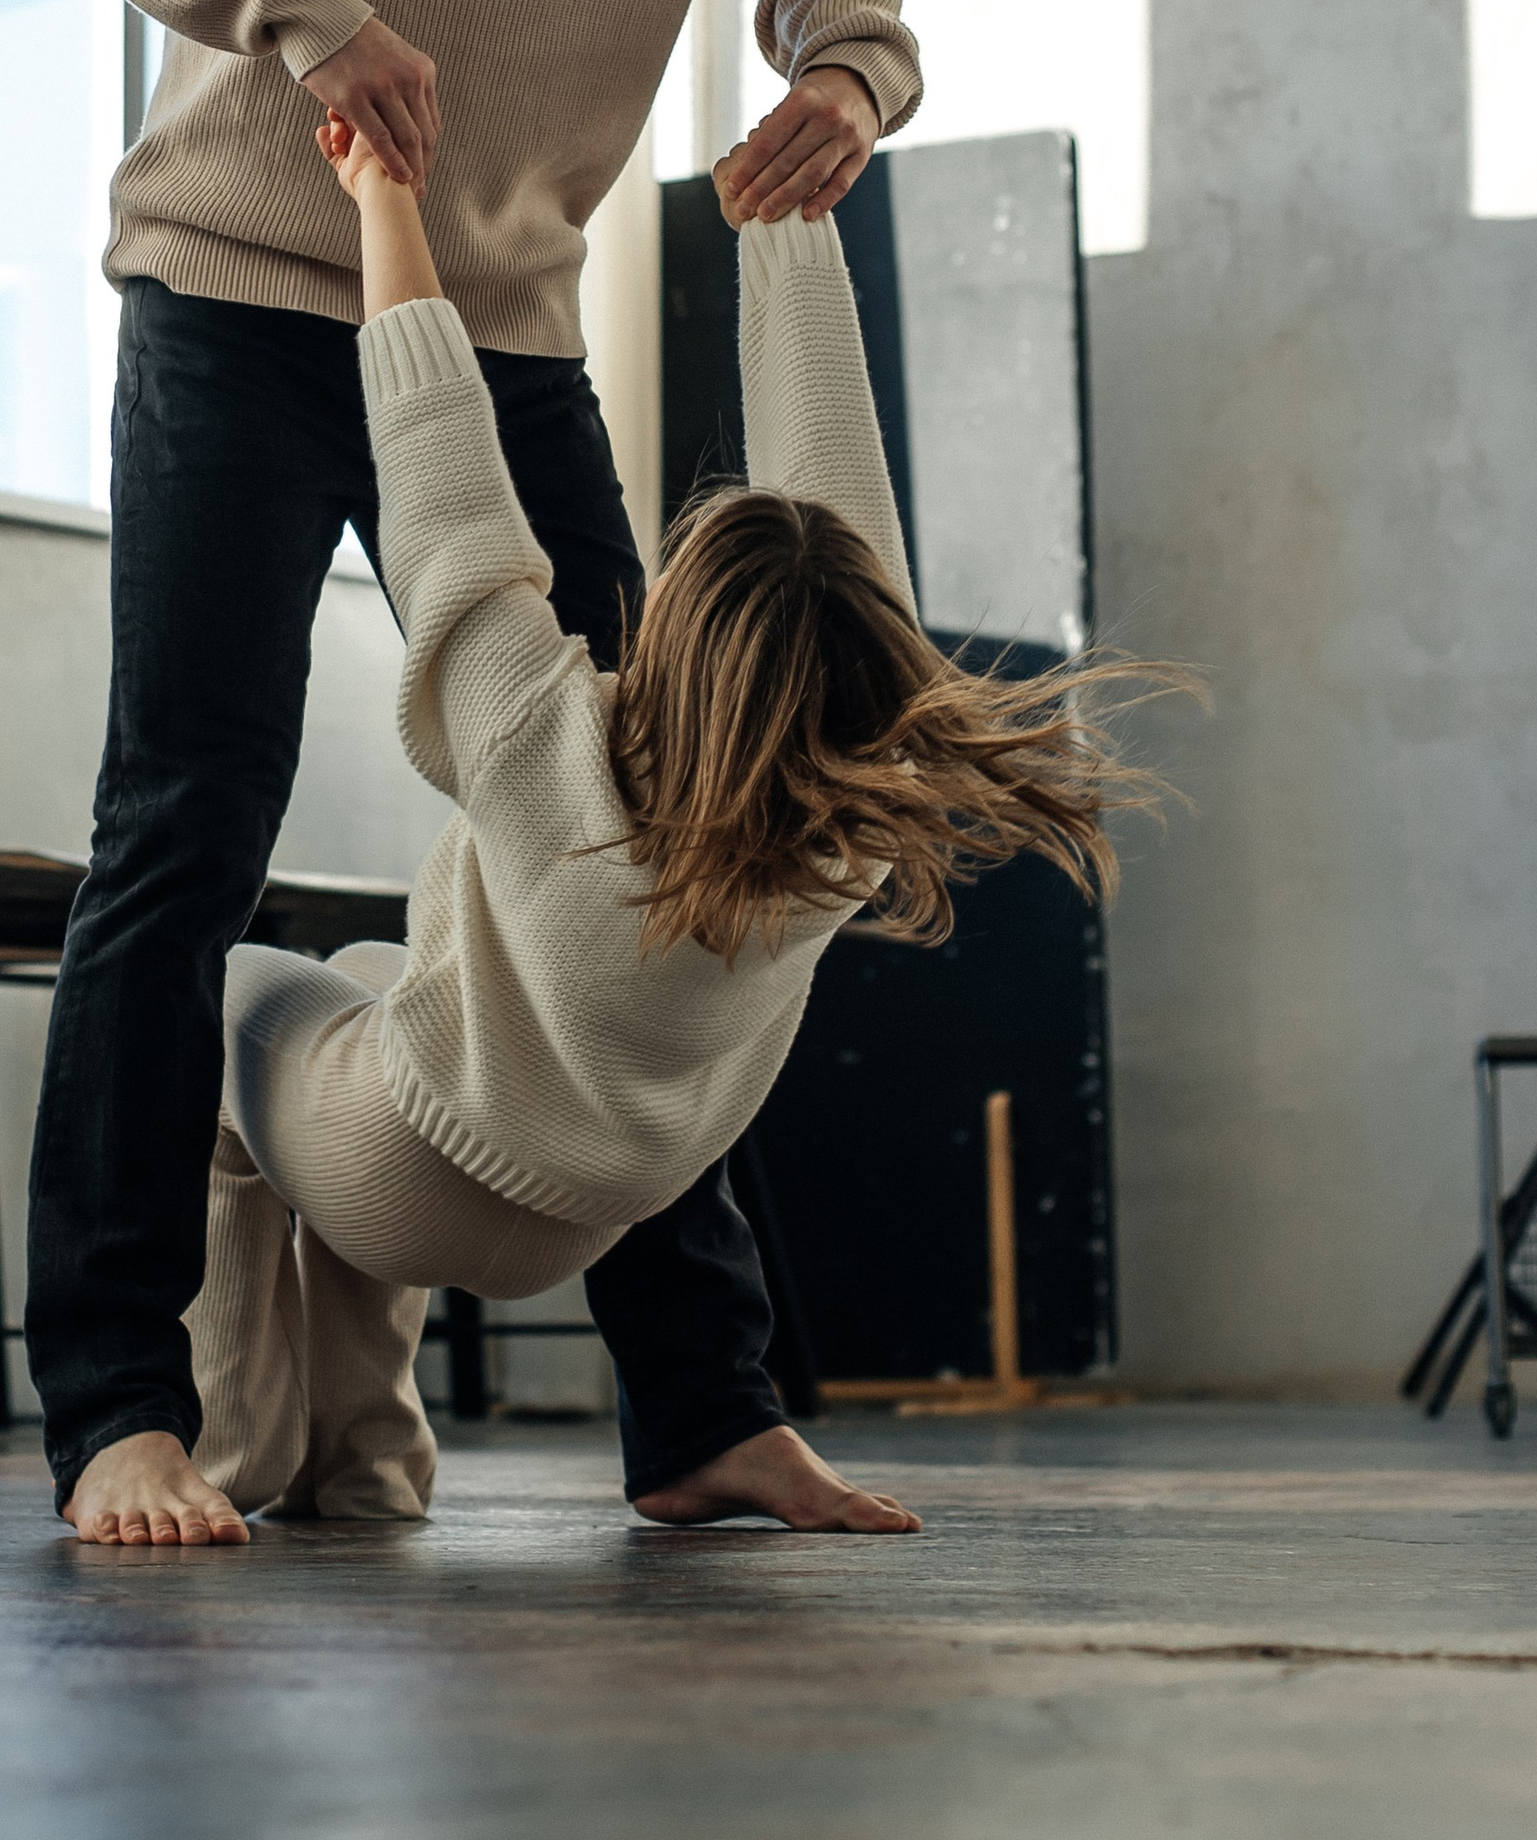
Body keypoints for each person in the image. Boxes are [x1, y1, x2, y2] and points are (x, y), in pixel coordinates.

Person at [14, 0, 922, 1547]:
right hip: (236, 285)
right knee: (182, 823)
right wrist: (299, 1)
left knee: (675, 815)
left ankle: (705, 1412)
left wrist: (849, 59)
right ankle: (116, 1406)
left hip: (504, 319)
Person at [186, 111, 1141, 1529]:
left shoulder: (544, 740)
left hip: (409, 1167)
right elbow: (843, 529)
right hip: (583, 1217)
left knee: (201, 1008)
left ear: (685, 640)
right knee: (382, 987)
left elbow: (439, 461)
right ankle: (367, 1457)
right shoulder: (839, 834)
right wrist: (788, 234)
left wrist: (383, 193)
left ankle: (232, 1442)